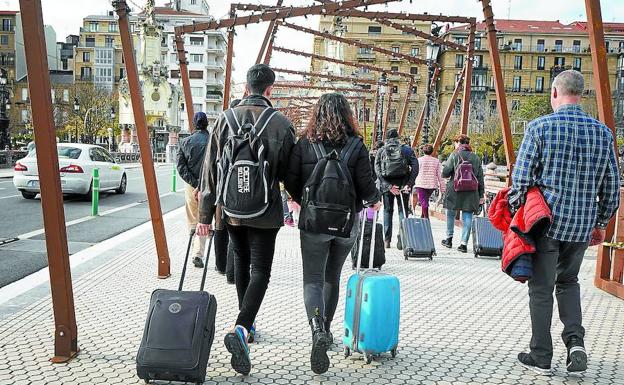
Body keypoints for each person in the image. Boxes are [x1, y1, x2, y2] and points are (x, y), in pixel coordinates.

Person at [508, 70, 620, 376]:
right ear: (580, 95)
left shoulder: (539, 127)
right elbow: (612, 187)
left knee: (541, 289)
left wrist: (519, 210)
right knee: (568, 282)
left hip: (546, 224)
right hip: (582, 227)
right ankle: (576, 344)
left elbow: (520, 179)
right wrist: (599, 222)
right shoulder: (602, 133)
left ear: (555, 93)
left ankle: (541, 355)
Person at [196, 64, 295, 376]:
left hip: (232, 209)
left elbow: (210, 170)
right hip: (266, 211)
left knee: (240, 260)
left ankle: (247, 326)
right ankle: (242, 326)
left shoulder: (224, 119)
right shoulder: (280, 123)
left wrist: (205, 216)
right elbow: (290, 174)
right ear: (269, 90)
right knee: (261, 271)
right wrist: (298, 203)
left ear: (245, 87)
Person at [285, 93, 381, 374]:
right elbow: (367, 186)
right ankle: (326, 327)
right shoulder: (356, 145)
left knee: (312, 279)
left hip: (313, 222)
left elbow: (290, 178)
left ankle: (316, 329)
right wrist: (375, 199)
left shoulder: (304, 143)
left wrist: (300, 199)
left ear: (317, 114)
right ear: (347, 114)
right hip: (345, 224)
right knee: (332, 277)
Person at [177, 111, 210, 268]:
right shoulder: (213, 141)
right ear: (207, 124)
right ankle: (198, 253)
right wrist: (202, 184)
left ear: (194, 124)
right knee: (204, 218)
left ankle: (194, 250)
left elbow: (180, 167)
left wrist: (194, 183)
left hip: (190, 187)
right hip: (209, 186)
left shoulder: (185, 142)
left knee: (192, 219)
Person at [441, 134, 485, 253]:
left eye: (455, 143)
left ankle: (449, 239)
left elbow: (445, 173)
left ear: (458, 143)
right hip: (471, 191)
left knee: (450, 213)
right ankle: (463, 244)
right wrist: (481, 195)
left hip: (455, 189)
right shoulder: (476, 157)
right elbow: (480, 177)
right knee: (467, 216)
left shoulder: (454, 155)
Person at [375, 128, 418, 248]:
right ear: (397, 138)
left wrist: (388, 186)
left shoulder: (381, 150)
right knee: (402, 211)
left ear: (387, 139)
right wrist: (409, 183)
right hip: (403, 184)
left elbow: (377, 170)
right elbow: (415, 167)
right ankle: (402, 239)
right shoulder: (407, 150)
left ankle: (387, 240)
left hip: (387, 185)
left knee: (387, 211)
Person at [414, 144, 445, 218]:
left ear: (423, 151)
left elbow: (415, 172)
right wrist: (442, 187)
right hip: (432, 185)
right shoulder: (436, 161)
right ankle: (422, 216)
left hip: (421, 184)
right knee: (425, 199)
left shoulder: (419, 160)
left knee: (424, 201)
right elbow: (440, 175)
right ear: (432, 152)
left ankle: (426, 218)